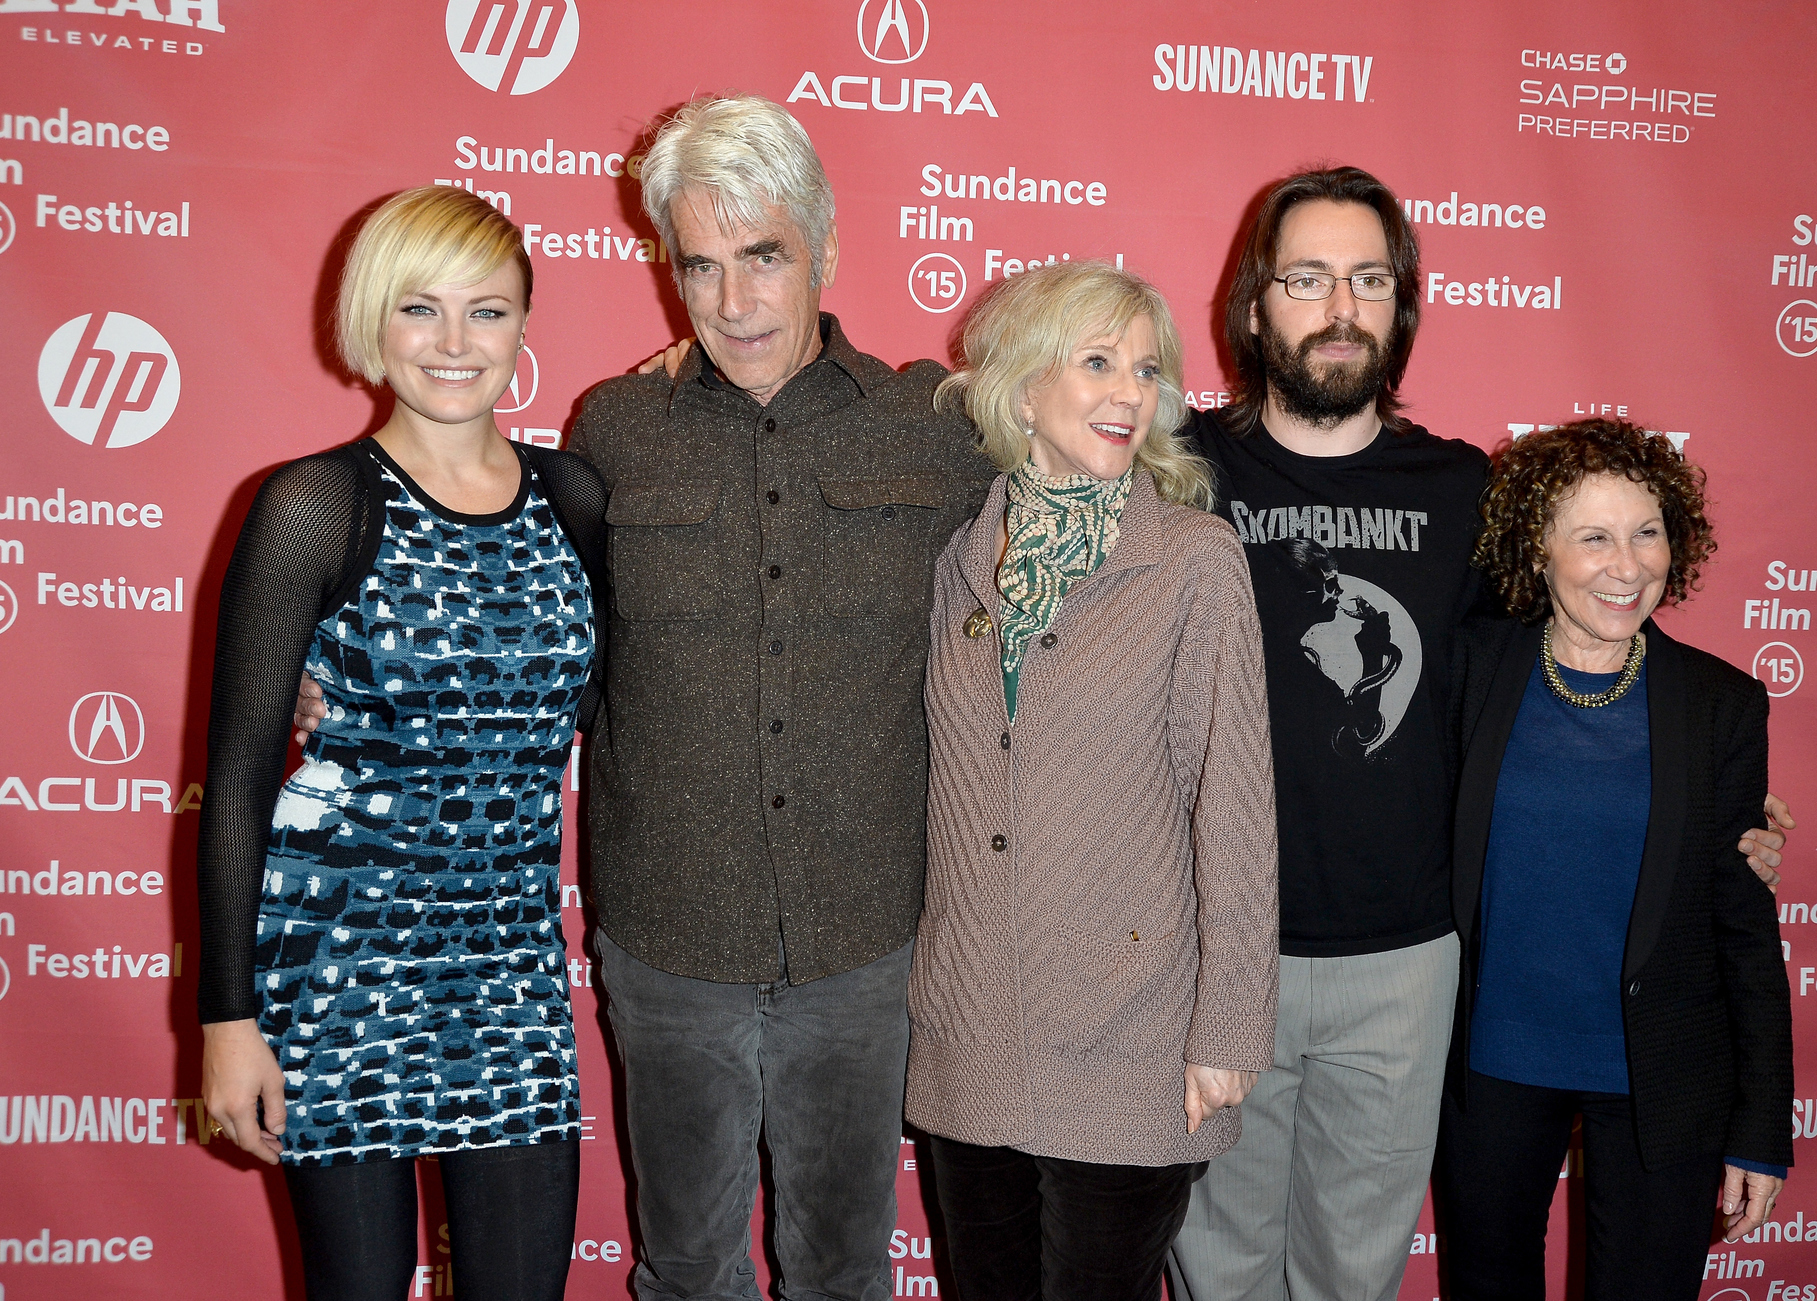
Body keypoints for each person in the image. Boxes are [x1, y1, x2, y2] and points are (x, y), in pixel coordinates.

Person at [1166, 167, 1795, 1301]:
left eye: (1367, 278)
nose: (1338, 306)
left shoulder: (1469, 490)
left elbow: (1573, 668)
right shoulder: (1178, 474)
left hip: (1408, 966)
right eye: (1306, 278)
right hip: (1215, 952)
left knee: (1349, 1276)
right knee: (1218, 1272)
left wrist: (1724, 816)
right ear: (1256, 305)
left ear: (1401, 304)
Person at [555, 95, 992, 1301]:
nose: (734, 302)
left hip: (865, 931)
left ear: (826, 249)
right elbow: (547, 638)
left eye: (764, 256)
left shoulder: (937, 422)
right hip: (668, 933)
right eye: (701, 263)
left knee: (843, 1268)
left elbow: (1095, 503)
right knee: (686, 1266)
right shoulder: (613, 426)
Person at [196, 185, 608, 1301]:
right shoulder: (316, 504)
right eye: (420, 309)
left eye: (488, 310)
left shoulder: (571, 497)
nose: (454, 342)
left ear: (525, 322)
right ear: (373, 320)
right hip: (340, 962)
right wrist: (228, 1019)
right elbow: (235, 780)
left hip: (510, 964)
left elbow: (595, 707)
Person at [909, 260, 1278, 1301]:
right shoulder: (961, 560)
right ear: (1024, 390)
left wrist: (1227, 1029)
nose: (1130, 392)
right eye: (1097, 362)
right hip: (970, 1028)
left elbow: (1235, 807)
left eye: (1146, 369)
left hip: (1135, 1033)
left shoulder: (1194, 559)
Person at [1431, 418, 1793, 1298]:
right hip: (1492, 1058)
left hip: (1661, 1071)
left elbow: (1744, 932)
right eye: (1593, 537)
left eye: (1647, 532)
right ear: (1539, 549)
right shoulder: (1469, 667)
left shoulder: (1723, 705)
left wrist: (1760, 1127)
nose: (1627, 567)